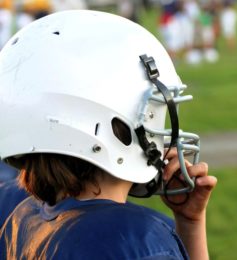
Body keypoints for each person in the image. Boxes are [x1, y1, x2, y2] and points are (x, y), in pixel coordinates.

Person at [0, 10, 217, 259]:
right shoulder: (136, 240)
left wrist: (189, 223)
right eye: (151, 113)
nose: (159, 128)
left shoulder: (22, 219)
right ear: (109, 122)